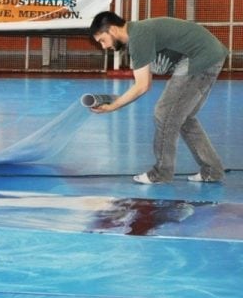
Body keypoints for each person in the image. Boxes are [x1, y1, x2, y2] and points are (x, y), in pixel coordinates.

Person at [88, 11, 228, 184]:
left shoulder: (138, 36)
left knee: (164, 113)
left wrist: (113, 106)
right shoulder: (138, 35)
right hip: (210, 55)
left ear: (113, 30)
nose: (103, 46)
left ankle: (161, 173)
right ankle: (212, 171)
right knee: (182, 118)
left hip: (199, 58)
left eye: (102, 40)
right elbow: (143, 81)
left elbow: (142, 85)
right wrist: (116, 100)